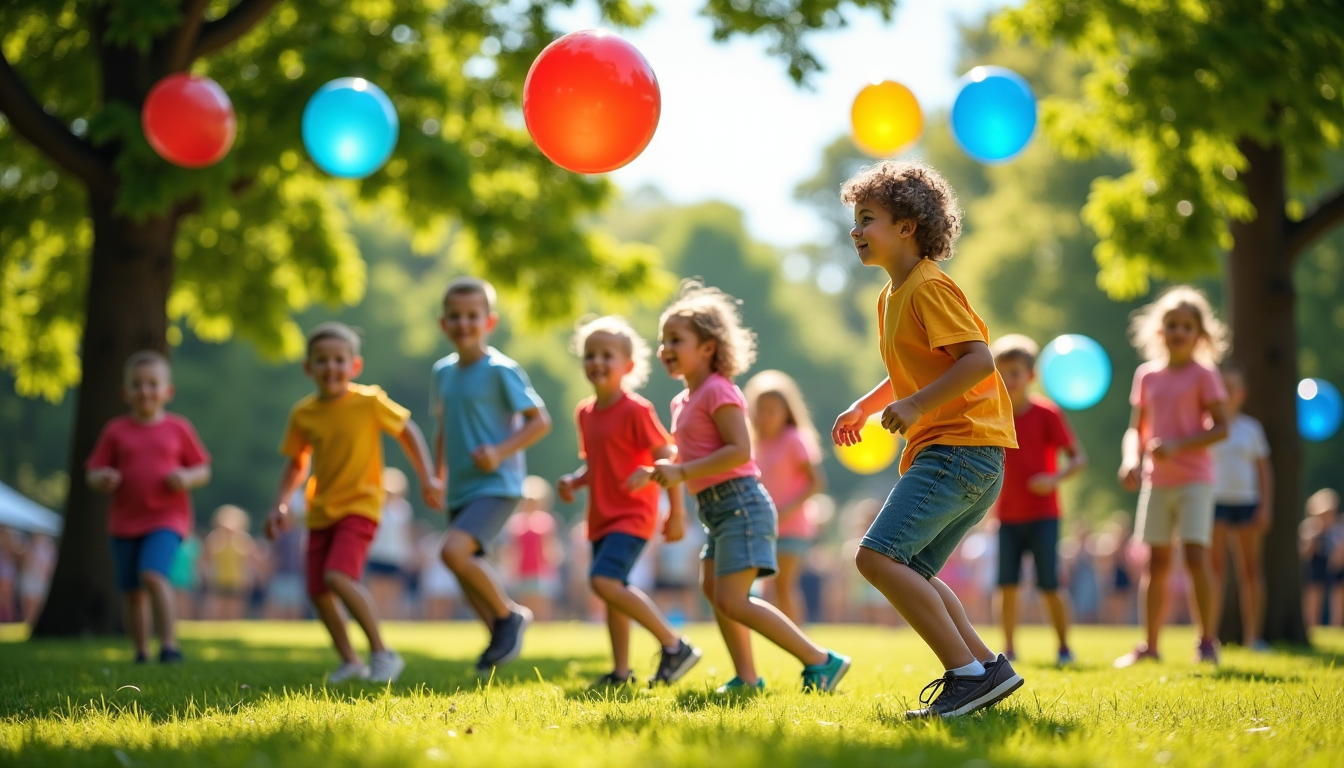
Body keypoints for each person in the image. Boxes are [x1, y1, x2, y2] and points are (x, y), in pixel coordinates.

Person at [834, 160, 1022, 719]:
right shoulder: (892, 297)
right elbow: (912, 368)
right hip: (959, 454)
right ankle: (987, 670)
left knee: (875, 559)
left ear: (907, 226)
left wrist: (916, 405)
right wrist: (865, 408)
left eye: (867, 218)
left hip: (961, 450)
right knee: (910, 569)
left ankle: (963, 675)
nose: (856, 230)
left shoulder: (927, 286)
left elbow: (978, 359)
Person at [636, 281, 850, 695]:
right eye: (663, 340)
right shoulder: (682, 401)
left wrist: (681, 473)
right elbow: (685, 460)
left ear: (708, 347)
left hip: (741, 504)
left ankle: (821, 660)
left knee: (733, 598)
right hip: (715, 510)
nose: (665, 348)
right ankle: (747, 677)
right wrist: (674, 502)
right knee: (715, 591)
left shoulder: (719, 391)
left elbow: (738, 451)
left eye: (675, 339)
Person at [265, 322, 442, 684]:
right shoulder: (304, 413)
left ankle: (383, 652)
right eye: (322, 360)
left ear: (354, 366)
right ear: (308, 367)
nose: (331, 367)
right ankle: (350, 661)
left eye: (339, 360)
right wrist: (280, 503)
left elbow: (408, 430)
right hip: (320, 510)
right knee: (317, 590)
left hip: (360, 506)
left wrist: (427, 477)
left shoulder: (369, 402)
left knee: (338, 576)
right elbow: (298, 462)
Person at [557, 315, 702, 686]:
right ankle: (621, 672)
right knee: (612, 590)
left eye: (608, 355)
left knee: (604, 581)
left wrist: (676, 514)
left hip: (633, 514)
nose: (598, 362)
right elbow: (598, 463)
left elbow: (667, 456)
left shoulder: (636, 410)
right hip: (600, 517)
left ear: (628, 366)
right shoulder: (585, 414)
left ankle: (674, 644)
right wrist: (576, 480)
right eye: (591, 355)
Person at [431, 277, 552, 673]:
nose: (464, 324)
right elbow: (444, 427)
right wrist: (437, 475)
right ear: (443, 323)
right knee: (463, 567)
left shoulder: (501, 370)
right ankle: (497, 647)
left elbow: (540, 422)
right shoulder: (443, 373)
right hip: (462, 486)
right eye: (455, 316)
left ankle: (510, 616)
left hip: (498, 484)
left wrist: (499, 451)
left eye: (472, 316)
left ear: (489, 322)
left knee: (453, 551)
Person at [1114, 286, 1230, 668]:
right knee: (1156, 563)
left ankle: (1207, 642)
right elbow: (1136, 428)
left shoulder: (1205, 375)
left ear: (1200, 334)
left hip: (1195, 479)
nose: (1179, 332)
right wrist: (1131, 459)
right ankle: (1149, 645)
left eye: (1187, 326)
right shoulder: (1146, 376)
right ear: (1159, 332)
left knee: (1197, 557)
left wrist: (1178, 446)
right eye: (1172, 325)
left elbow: (1221, 427)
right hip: (1156, 481)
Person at [86, 350, 211, 663]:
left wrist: (185, 476)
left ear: (167, 391)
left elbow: (202, 469)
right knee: (132, 591)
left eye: (153, 384)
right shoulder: (116, 431)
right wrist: (103, 477)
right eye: (138, 384)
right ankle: (141, 651)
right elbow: (92, 471)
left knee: (154, 575)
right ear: (125, 392)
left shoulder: (178, 428)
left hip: (167, 518)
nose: (145, 391)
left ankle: (169, 646)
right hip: (125, 521)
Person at [989, 335, 1087, 665]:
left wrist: (1053, 479)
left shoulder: (1047, 413)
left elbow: (1077, 459)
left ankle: (1063, 647)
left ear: (1030, 376)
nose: (1008, 380)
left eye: (1015, 372)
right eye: (1001, 373)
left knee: (1049, 584)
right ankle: (1009, 649)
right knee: (1007, 586)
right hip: (1007, 516)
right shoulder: (991, 416)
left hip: (1044, 514)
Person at [744, 370, 827, 627]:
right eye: (761, 409)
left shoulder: (794, 439)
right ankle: (780, 638)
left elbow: (817, 482)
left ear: (786, 412)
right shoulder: (753, 443)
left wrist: (788, 509)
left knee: (783, 585)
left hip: (792, 526)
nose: (766, 416)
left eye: (772, 410)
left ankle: (800, 641)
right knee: (763, 588)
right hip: (763, 525)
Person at [1209, 364, 1274, 649]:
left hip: (1247, 503)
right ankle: (1208, 637)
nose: (1225, 393)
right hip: (1214, 503)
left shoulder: (1251, 428)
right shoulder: (1205, 427)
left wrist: (1265, 506)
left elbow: (1264, 471)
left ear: (1241, 393)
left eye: (1231, 387)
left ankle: (1254, 638)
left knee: (1250, 571)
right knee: (1214, 571)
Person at [501, 477, 565, 622]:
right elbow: (511, 549)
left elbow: (550, 547)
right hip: (522, 570)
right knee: (524, 603)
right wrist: (509, 568)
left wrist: (552, 565)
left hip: (541, 571)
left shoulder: (546, 520)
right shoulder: (515, 522)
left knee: (542, 604)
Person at [366, 468, 416, 620]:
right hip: (378, 554)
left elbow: (406, 535)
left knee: (393, 596)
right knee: (376, 594)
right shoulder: (376, 507)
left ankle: (391, 621)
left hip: (395, 556)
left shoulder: (404, 509)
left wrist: (409, 555)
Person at [203, 505, 258, 621]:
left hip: (237, 578)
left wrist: (250, 577)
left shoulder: (243, 539)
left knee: (235, 606)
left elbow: (249, 560)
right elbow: (207, 559)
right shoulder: (215, 538)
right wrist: (207, 575)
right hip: (219, 578)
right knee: (218, 606)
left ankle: (232, 627)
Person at [1301, 489, 1342, 628]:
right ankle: (1311, 625)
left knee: (1338, 595)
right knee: (1314, 594)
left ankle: (1336, 626)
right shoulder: (1309, 528)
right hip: (1316, 568)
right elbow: (1304, 552)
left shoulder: (1339, 528)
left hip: (1335, 568)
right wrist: (1314, 537)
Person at [18, 532, 56, 625]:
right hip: (29, 577)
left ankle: (32, 623)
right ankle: (27, 622)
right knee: (27, 601)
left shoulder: (49, 548)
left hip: (40, 579)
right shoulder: (29, 546)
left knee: (36, 603)